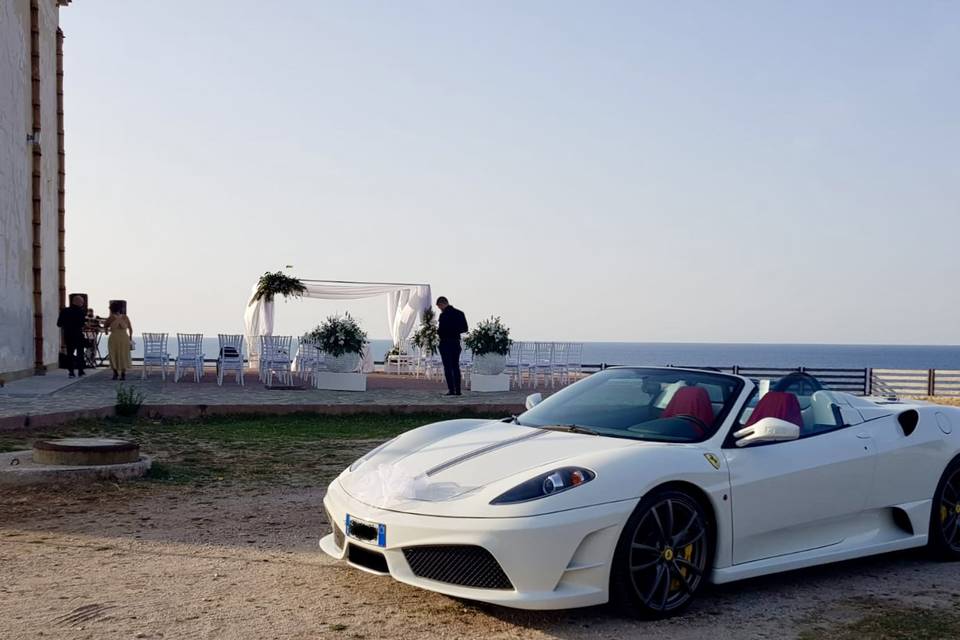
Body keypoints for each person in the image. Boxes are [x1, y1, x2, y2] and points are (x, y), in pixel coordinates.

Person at [436, 296, 468, 396]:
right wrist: (456, 330)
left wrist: (437, 332)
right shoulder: (460, 313)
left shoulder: (443, 315)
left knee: (448, 367)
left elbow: (441, 331)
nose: (440, 309)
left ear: (442, 304)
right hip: (456, 342)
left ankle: (451, 390)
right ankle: (458, 390)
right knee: (455, 366)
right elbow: (465, 328)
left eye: (439, 307)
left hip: (445, 343)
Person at [56, 295, 87, 378]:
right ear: (77, 302)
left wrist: (66, 325)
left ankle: (71, 372)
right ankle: (80, 371)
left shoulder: (64, 311)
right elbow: (82, 324)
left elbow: (59, 324)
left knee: (70, 353)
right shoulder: (81, 312)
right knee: (80, 353)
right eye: (82, 302)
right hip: (78, 334)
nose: (82, 304)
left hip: (68, 334)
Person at [104, 301, 133, 380]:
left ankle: (115, 373)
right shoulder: (125, 317)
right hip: (124, 338)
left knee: (113, 354)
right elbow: (130, 328)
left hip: (114, 338)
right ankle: (123, 373)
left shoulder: (111, 318)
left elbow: (105, 326)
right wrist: (130, 338)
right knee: (124, 354)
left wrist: (107, 332)